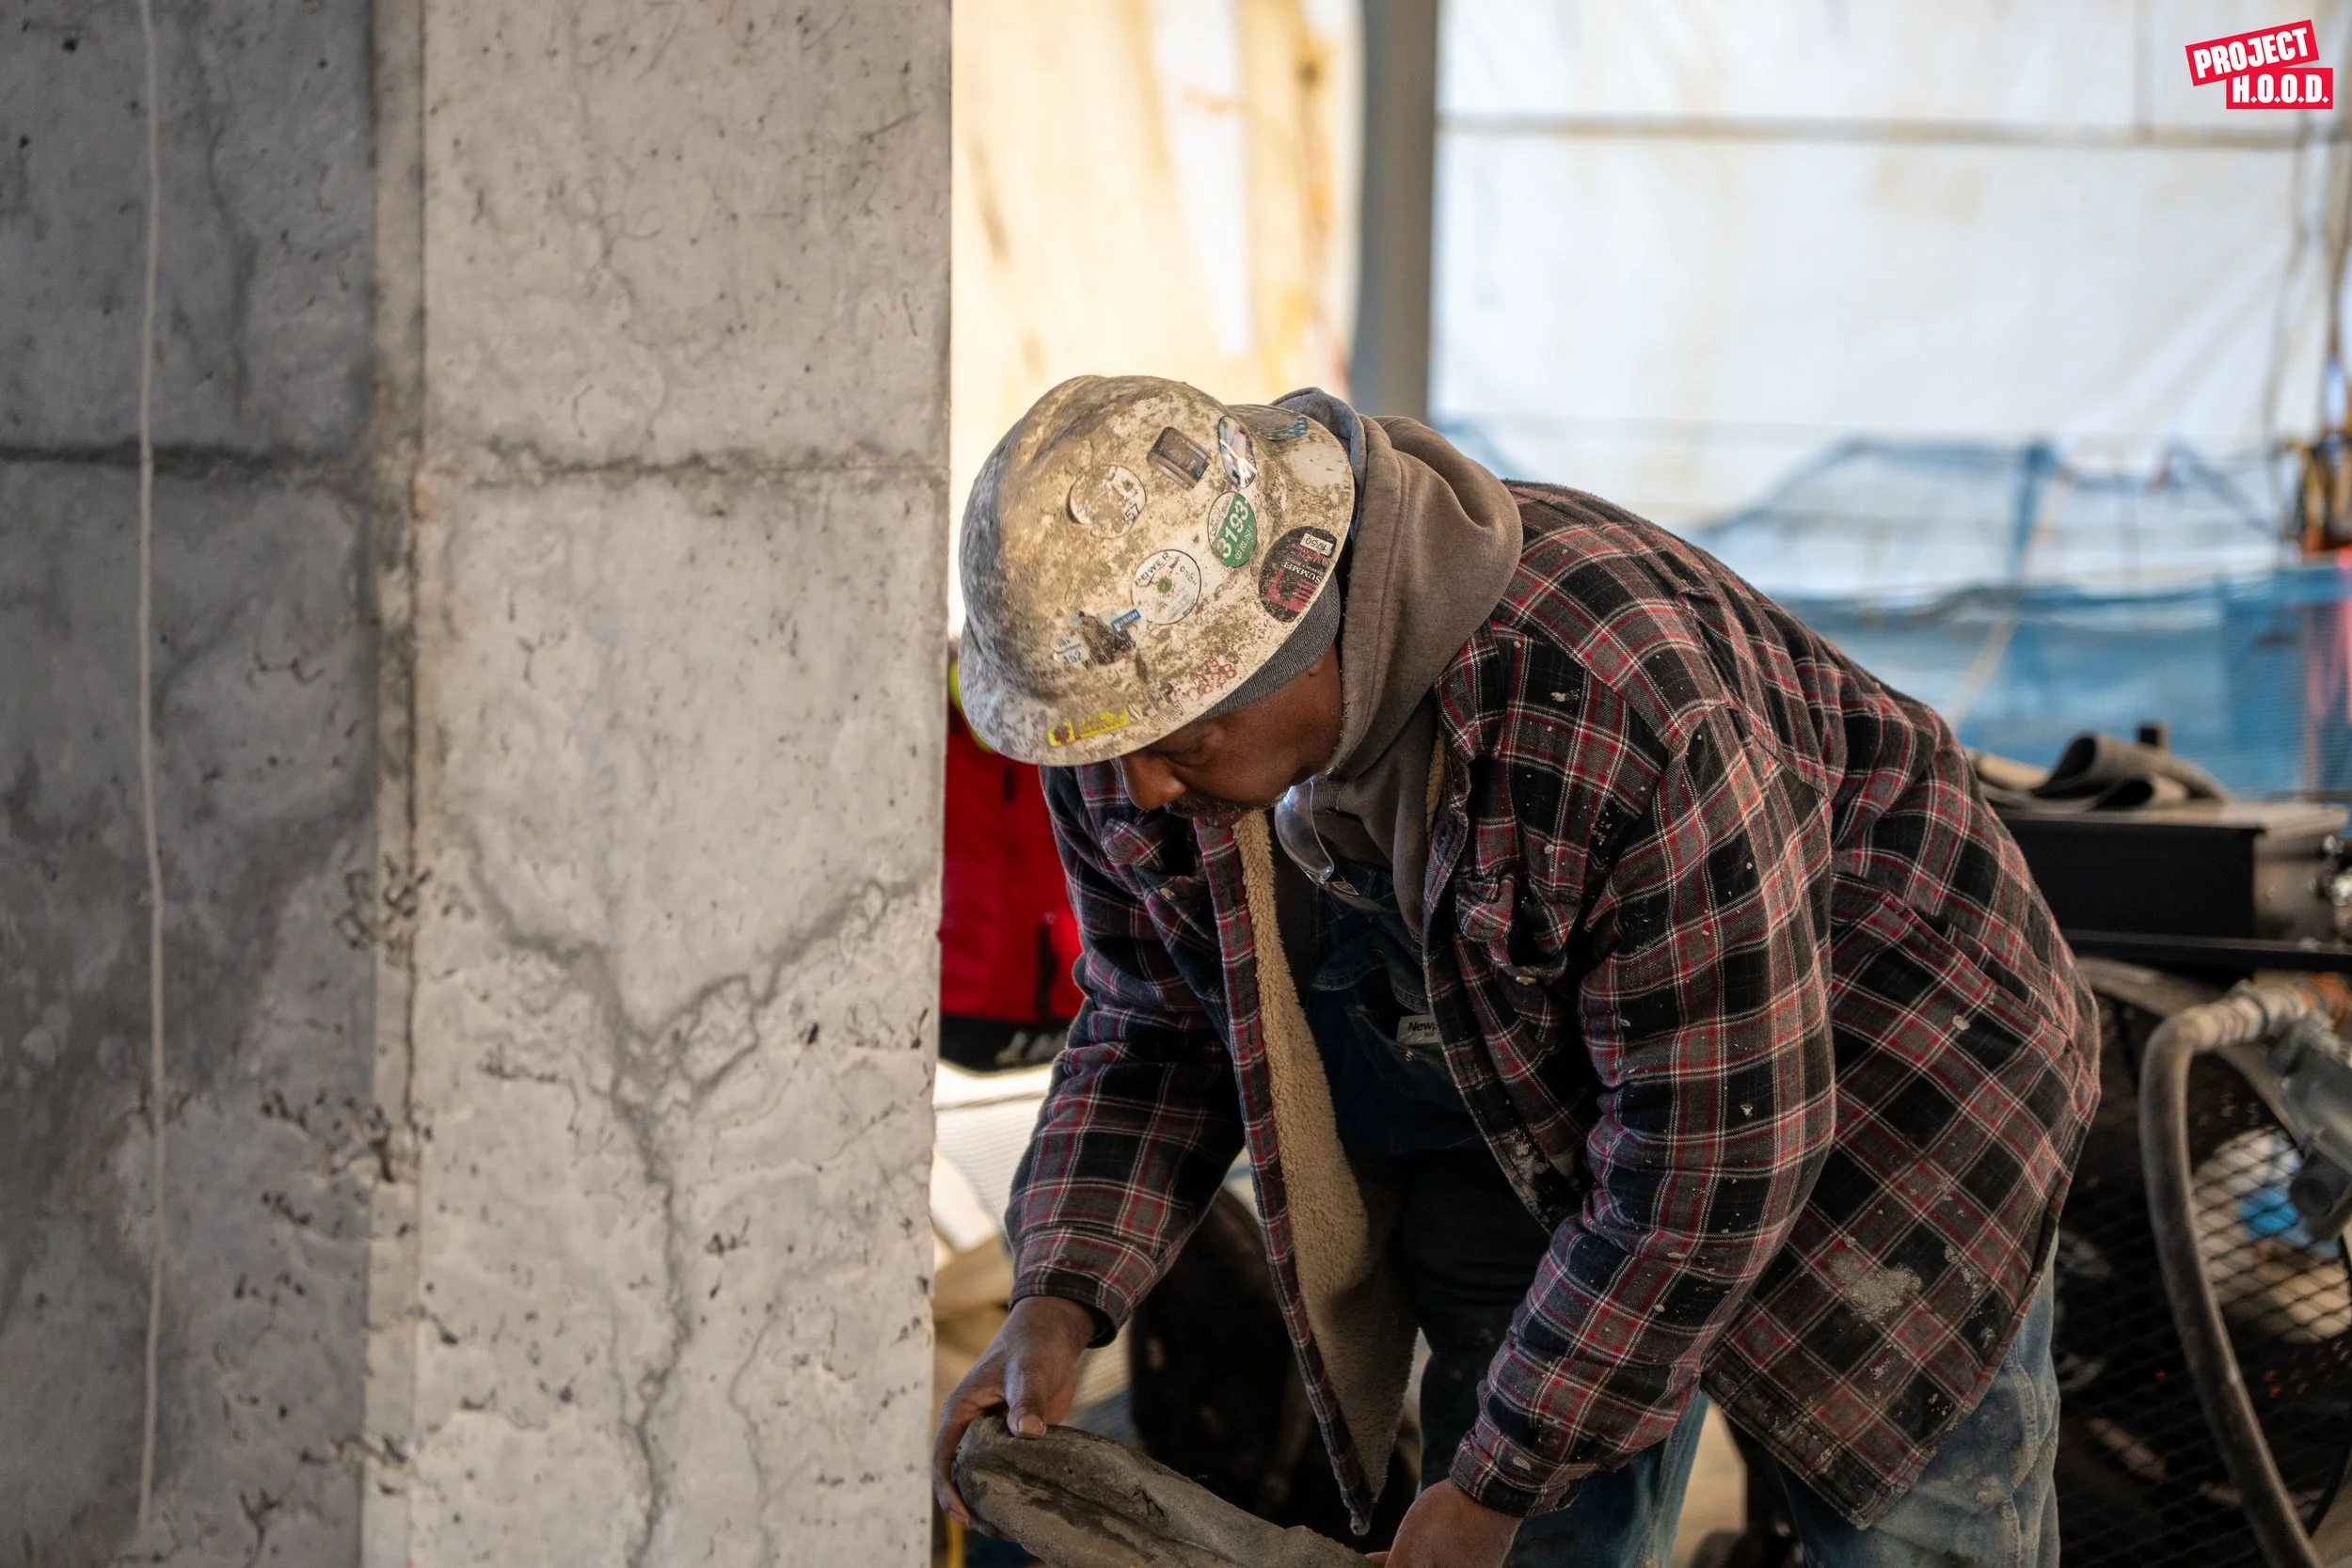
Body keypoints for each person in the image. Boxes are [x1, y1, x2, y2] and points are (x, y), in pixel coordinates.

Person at [931, 376, 2096, 1568]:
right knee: (1530, 1517)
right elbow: (1156, 1021)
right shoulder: (1129, 723)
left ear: (1291, 633)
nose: (1137, 793)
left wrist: (1492, 1484)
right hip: (1513, 1091)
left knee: (1902, 1528)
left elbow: (1711, 1156)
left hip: (1885, 1084)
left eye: (1177, 747)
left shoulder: (1611, 703)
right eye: (1109, 754)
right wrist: (1058, 1291)